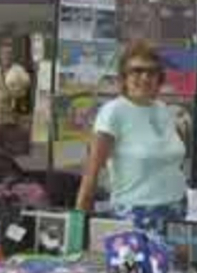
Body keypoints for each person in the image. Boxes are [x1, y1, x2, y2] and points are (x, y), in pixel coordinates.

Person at [76, 40, 187, 232]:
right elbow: (91, 174)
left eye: (151, 72)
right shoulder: (113, 112)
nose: (145, 77)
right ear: (124, 77)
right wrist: (78, 227)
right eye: (137, 71)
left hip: (176, 212)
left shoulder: (163, 110)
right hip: (135, 217)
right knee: (134, 264)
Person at [0, 38, 31, 151]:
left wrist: (9, 92)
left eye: (9, 53)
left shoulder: (19, 71)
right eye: (4, 53)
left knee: (10, 143)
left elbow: (25, 90)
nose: (6, 56)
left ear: (12, 55)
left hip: (13, 115)